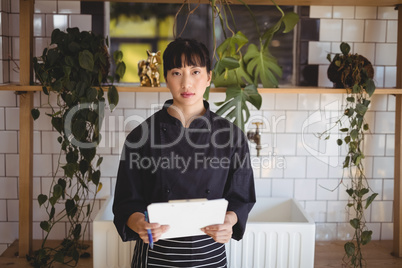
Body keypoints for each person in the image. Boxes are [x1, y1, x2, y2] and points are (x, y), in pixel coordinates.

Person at [113, 38, 256, 268]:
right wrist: (139, 222)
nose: (187, 83)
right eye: (177, 72)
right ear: (166, 78)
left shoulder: (232, 137)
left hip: (209, 253)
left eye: (196, 71)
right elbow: (126, 201)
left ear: (209, 77)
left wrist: (229, 222)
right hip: (157, 255)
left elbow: (241, 197)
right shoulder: (141, 136)